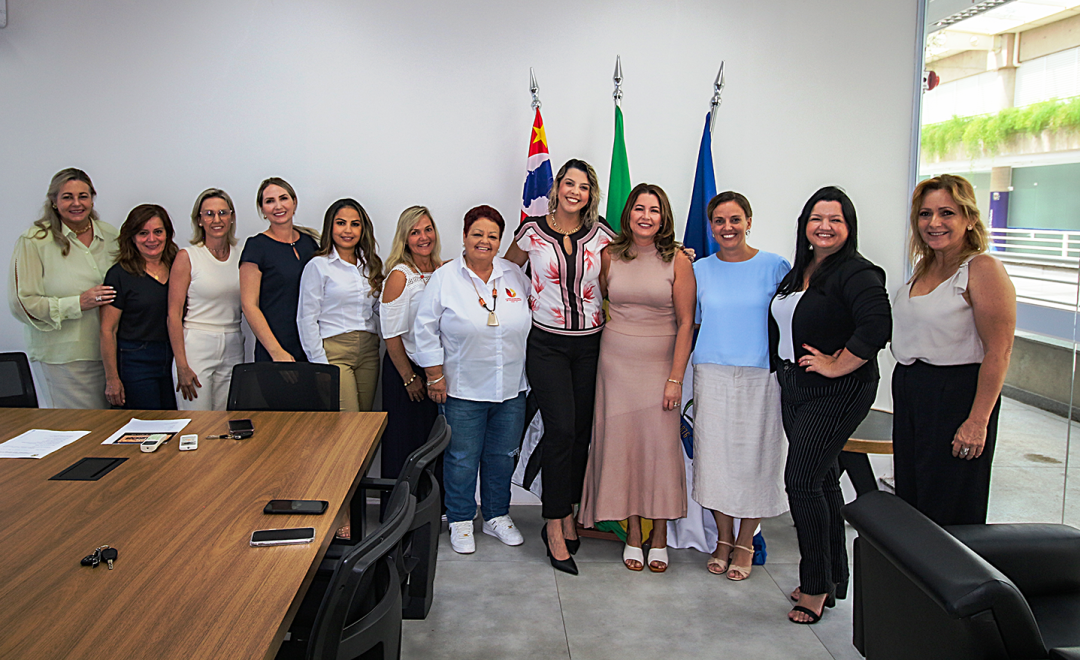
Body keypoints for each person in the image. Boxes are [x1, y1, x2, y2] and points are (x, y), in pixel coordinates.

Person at [768, 186, 891, 624]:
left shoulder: (857, 271)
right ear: (804, 225)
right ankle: (835, 576)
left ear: (848, 227)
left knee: (800, 481)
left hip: (837, 391)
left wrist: (839, 365)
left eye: (835, 219)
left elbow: (877, 325)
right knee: (820, 481)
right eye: (816, 218)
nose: (824, 226)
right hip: (795, 384)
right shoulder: (802, 270)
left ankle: (816, 586)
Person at [504, 159, 616, 573]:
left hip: (591, 344)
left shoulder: (602, 232)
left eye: (584, 186)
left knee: (582, 433)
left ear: (591, 194)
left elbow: (629, 268)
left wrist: (676, 255)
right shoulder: (531, 230)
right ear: (556, 187)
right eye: (569, 183)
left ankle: (567, 510)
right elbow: (504, 270)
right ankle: (553, 524)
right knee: (561, 429)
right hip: (546, 345)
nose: (575, 191)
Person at [578, 183, 695, 573]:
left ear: (664, 218)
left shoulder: (678, 260)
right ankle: (632, 531)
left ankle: (659, 534)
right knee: (623, 449)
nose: (646, 216)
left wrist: (676, 378)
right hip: (615, 366)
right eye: (639, 208)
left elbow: (685, 323)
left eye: (654, 210)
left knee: (659, 450)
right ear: (628, 214)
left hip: (660, 367)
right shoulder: (608, 256)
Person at [892, 174, 1015, 526]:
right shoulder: (924, 267)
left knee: (952, 503)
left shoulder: (982, 269)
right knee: (914, 498)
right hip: (914, 389)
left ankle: (953, 580)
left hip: (956, 393)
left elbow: (999, 352)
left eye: (947, 213)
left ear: (970, 219)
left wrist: (978, 421)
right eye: (925, 214)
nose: (934, 223)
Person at [413, 206, 531, 557]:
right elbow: (424, 328)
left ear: (500, 241)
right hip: (462, 387)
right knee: (461, 457)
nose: (485, 241)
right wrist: (434, 374)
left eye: (492, 236)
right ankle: (461, 518)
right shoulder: (445, 277)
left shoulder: (513, 274)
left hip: (511, 387)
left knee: (501, 457)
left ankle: (496, 515)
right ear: (464, 236)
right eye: (477, 234)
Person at [691, 191, 790, 581]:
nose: (727, 227)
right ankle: (723, 539)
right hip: (712, 372)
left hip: (761, 375)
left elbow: (790, 319)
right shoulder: (699, 270)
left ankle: (746, 541)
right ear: (711, 226)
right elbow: (691, 322)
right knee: (714, 459)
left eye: (735, 220)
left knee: (758, 459)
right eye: (719, 221)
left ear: (749, 222)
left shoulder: (775, 266)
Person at [9, 168, 119, 409]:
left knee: (112, 435)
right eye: (67, 197)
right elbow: (22, 303)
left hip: (113, 355)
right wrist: (77, 302)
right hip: (66, 359)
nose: (77, 203)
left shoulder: (111, 235)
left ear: (92, 198)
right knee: (81, 434)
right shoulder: (34, 241)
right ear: (54, 202)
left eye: (83, 196)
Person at [297, 198, 384, 412]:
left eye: (355, 224)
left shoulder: (369, 265)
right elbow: (306, 318)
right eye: (341, 223)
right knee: (348, 424)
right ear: (330, 227)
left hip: (368, 350)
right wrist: (320, 364)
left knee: (365, 423)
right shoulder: (319, 265)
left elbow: (377, 308)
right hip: (334, 352)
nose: (348, 230)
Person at [380, 206, 442, 498]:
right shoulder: (400, 275)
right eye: (415, 232)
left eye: (427, 229)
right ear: (404, 238)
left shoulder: (442, 271)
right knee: (404, 444)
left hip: (435, 371)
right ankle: (398, 513)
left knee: (433, 442)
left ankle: (430, 509)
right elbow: (391, 335)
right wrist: (408, 378)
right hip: (405, 370)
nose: (423, 237)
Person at [167, 189, 244, 411]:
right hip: (196, 347)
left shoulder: (242, 256)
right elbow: (173, 315)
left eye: (222, 213)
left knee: (224, 422)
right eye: (209, 214)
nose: (216, 219)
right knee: (196, 425)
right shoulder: (188, 257)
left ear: (231, 217)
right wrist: (182, 364)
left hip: (233, 345)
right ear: (199, 220)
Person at [100, 204, 180, 409]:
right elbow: (108, 330)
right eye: (143, 233)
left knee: (175, 422)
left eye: (158, 232)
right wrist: (112, 379)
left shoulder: (178, 266)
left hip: (173, 357)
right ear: (132, 237)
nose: (152, 239)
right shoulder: (119, 274)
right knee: (147, 426)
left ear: (168, 234)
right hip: (136, 360)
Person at [239, 177, 319, 362]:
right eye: (269, 201)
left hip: (311, 345)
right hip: (276, 348)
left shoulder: (309, 243)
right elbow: (249, 305)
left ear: (294, 202)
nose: (278, 206)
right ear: (262, 210)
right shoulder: (256, 246)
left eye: (283, 198)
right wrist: (276, 351)